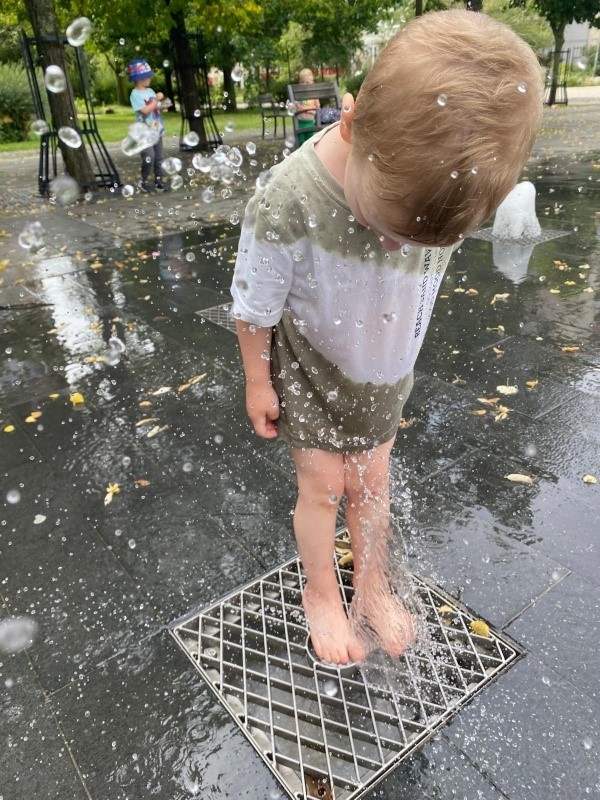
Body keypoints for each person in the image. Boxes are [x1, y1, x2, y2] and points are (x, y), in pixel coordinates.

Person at [231, 10, 543, 665]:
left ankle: (370, 587)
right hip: (312, 369)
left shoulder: (438, 184)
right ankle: (322, 591)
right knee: (324, 488)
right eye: (387, 227)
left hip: (384, 373)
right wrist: (259, 380)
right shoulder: (288, 201)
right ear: (349, 125)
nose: (401, 248)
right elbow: (254, 304)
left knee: (373, 485)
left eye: (427, 241)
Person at [128, 58, 169, 192]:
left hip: (156, 129)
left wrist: (162, 106)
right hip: (144, 131)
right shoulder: (135, 94)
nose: (149, 79)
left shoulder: (150, 91)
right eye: (147, 77)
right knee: (149, 157)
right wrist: (156, 100)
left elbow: (154, 109)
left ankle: (159, 181)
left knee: (159, 158)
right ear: (140, 78)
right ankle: (144, 181)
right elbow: (145, 111)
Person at [295, 68, 320, 144]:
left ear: (312, 83)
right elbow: (295, 106)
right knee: (301, 142)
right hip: (300, 123)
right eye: (302, 82)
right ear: (299, 83)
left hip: (310, 123)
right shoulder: (298, 95)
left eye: (307, 82)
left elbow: (318, 107)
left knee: (309, 141)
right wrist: (309, 108)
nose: (304, 84)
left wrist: (304, 108)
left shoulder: (314, 96)